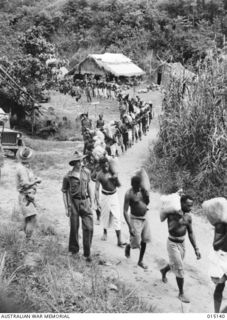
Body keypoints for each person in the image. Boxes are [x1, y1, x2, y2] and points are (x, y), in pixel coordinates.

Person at [160, 194, 201, 303]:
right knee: (180, 268)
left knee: (175, 264)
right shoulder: (172, 213)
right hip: (172, 243)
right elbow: (163, 219)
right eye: (188, 205)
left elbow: (191, 233)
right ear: (181, 203)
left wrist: (196, 248)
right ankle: (181, 293)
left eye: (191, 206)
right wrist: (177, 217)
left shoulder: (188, 217)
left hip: (182, 244)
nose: (190, 208)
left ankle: (163, 270)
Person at [62, 151, 93, 262]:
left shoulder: (86, 172)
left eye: (81, 160)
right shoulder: (68, 176)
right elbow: (64, 192)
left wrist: (92, 200)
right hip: (73, 204)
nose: (81, 163)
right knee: (74, 227)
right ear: (74, 163)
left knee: (89, 227)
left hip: (85, 202)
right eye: (78, 161)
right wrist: (66, 207)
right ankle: (73, 250)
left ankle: (87, 253)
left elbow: (88, 186)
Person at [95, 157, 125, 247]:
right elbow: (96, 189)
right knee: (105, 216)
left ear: (108, 164)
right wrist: (97, 200)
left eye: (107, 165)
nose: (106, 167)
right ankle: (105, 232)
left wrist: (115, 178)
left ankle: (119, 240)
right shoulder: (99, 175)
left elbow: (119, 185)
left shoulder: (112, 171)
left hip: (114, 196)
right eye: (104, 166)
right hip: (104, 196)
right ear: (100, 166)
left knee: (117, 217)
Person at [123, 175, 151, 269]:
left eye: (139, 186)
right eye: (136, 186)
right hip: (135, 219)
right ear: (132, 185)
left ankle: (140, 261)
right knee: (135, 242)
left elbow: (147, 203)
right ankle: (129, 246)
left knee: (144, 240)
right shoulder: (128, 194)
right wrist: (129, 226)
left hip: (144, 217)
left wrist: (147, 196)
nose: (138, 188)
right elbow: (125, 211)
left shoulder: (142, 191)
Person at [16, 147, 41, 238]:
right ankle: (28, 240)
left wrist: (34, 179)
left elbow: (28, 179)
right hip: (26, 196)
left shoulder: (26, 167)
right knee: (33, 218)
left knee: (28, 218)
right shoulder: (22, 169)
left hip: (29, 195)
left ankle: (25, 238)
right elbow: (26, 185)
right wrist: (36, 181)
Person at [209, 222, 227, 312]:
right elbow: (216, 245)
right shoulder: (221, 224)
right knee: (220, 286)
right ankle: (217, 315)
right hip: (222, 257)